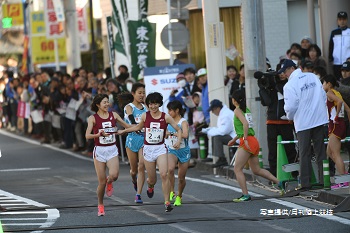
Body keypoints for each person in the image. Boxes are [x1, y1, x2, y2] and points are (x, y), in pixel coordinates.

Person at [118, 92, 182, 212]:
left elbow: (178, 129)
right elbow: (137, 127)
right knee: (152, 179)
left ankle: (167, 202)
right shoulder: (145, 116)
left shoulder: (166, 117)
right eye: (151, 104)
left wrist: (178, 140)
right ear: (148, 104)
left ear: (159, 104)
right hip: (148, 149)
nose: (153, 106)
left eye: (155, 104)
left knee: (164, 174)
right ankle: (150, 185)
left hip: (160, 148)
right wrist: (125, 131)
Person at [280, 59, 328, 191]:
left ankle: (306, 183)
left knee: (304, 153)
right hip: (319, 119)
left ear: (291, 69)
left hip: (303, 122)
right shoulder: (312, 76)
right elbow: (323, 96)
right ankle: (325, 180)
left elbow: (291, 106)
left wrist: (290, 117)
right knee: (320, 151)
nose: (284, 74)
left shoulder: (289, 85)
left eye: (285, 71)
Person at [228, 90, 284, 202]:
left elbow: (245, 124)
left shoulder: (237, 110)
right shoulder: (246, 110)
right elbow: (244, 127)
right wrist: (235, 139)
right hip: (253, 140)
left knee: (237, 169)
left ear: (234, 100)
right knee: (257, 170)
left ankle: (245, 194)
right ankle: (279, 182)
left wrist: (243, 139)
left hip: (247, 141)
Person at [85, 93, 130, 216]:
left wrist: (136, 128)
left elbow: (127, 125)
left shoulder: (113, 115)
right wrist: (98, 135)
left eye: (107, 102)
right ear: (98, 105)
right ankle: (100, 204)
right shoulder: (92, 118)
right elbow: (87, 135)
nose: (107, 104)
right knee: (101, 183)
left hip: (112, 149)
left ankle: (110, 181)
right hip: (99, 151)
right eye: (104, 102)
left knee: (114, 175)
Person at [322, 74, 350, 189]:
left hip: (335, 125)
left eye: (323, 83)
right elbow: (348, 109)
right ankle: (344, 174)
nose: (322, 85)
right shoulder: (337, 92)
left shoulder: (330, 93)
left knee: (336, 153)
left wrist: (337, 116)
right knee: (329, 152)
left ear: (329, 84)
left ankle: (344, 179)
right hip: (340, 125)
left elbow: (339, 103)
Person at [122, 83, 147, 203]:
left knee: (141, 166)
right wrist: (137, 126)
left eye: (143, 92)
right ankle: (134, 180)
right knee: (134, 170)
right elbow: (131, 119)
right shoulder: (129, 107)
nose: (142, 95)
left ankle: (138, 194)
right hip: (132, 139)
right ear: (133, 93)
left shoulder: (147, 107)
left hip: (144, 140)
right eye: (139, 93)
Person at [166, 100, 191, 207]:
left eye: (171, 110)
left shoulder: (183, 122)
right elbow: (165, 134)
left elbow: (185, 135)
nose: (169, 112)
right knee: (170, 169)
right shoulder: (168, 121)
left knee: (181, 177)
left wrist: (172, 133)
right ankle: (172, 191)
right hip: (172, 150)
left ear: (177, 110)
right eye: (168, 110)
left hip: (183, 151)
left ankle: (179, 196)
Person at [201, 99, 236, 167]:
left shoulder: (226, 115)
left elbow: (223, 131)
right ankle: (221, 158)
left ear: (218, 108)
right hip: (233, 135)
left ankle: (222, 159)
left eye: (213, 110)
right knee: (216, 136)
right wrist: (208, 131)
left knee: (217, 137)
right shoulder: (224, 113)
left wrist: (208, 131)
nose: (212, 112)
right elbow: (221, 129)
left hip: (236, 137)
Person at [329, 11, 350, 80]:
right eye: (340, 19)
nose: (342, 21)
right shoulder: (334, 32)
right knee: (338, 80)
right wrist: (330, 58)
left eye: (344, 19)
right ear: (337, 21)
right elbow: (331, 46)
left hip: (347, 61)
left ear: (346, 20)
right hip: (336, 62)